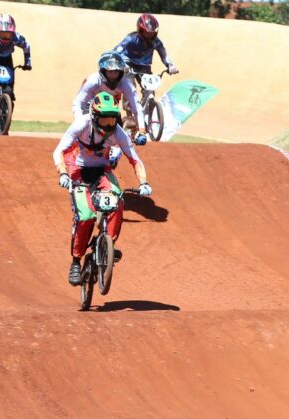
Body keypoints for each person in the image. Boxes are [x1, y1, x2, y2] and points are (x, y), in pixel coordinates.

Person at [52, 92, 152, 286]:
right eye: (104, 119)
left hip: (102, 172)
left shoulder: (117, 132)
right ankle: (75, 261)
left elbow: (135, 159)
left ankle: (109, 245)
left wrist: (144, 182)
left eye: (112, 119)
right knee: (85, 216)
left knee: (117, 201)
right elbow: (59, 150)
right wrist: (63, 173)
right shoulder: (82, 124)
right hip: (77, 170)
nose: (108, 125)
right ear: (94, 116)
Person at [72, 51, 147, 146]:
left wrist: (142, 131)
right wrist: (79, 122)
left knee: (116, 138)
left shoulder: (125, 84)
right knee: (90, 138)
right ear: (103, 71)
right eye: (110, 71)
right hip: (90, 108)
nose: (113, 75)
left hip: (111, 111)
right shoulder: (93, 81)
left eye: (116, 71)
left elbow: (136, 107)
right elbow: (78, 103)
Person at [113, 13, 179, 85]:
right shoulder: (130, 39)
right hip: (128, 65)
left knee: (150, 90)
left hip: (144, 66)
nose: (150, 35)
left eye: (153, 32)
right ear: (141, 30)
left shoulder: (156, 42)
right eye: (147, 33)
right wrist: (121, 64)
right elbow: (115, 52)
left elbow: (164, 55)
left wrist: (170, 65)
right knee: (130, 87)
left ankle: (149, 96)